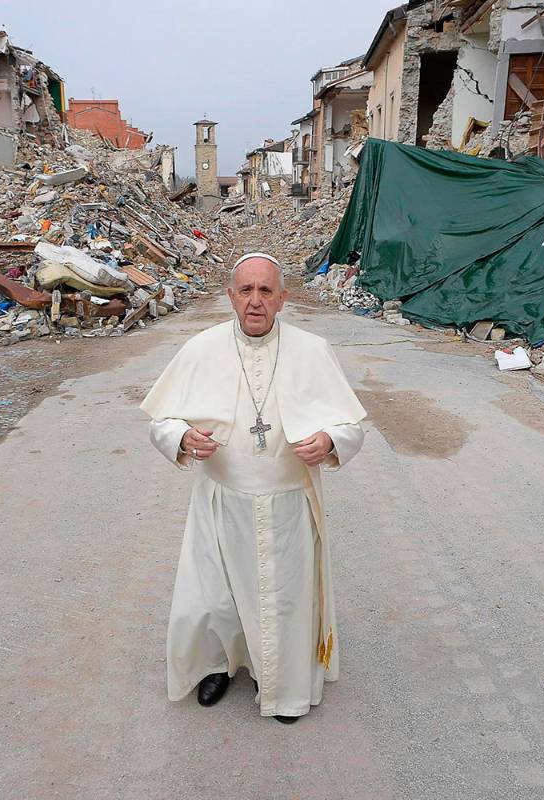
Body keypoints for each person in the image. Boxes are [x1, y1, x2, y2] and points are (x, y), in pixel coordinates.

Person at [141, 252, 366, 723]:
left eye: (266, 290)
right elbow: (161, 421)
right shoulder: (202, 348)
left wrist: (329, 440)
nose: (255, 301)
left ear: (283, 298)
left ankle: (282, 686)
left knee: (283, 599)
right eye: (246, 290)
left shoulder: (312, 350)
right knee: (215, 596)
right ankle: (218, 665)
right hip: (222, 500)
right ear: (231, 296)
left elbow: (352, 427)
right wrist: (181, 437)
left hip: (288, 503)